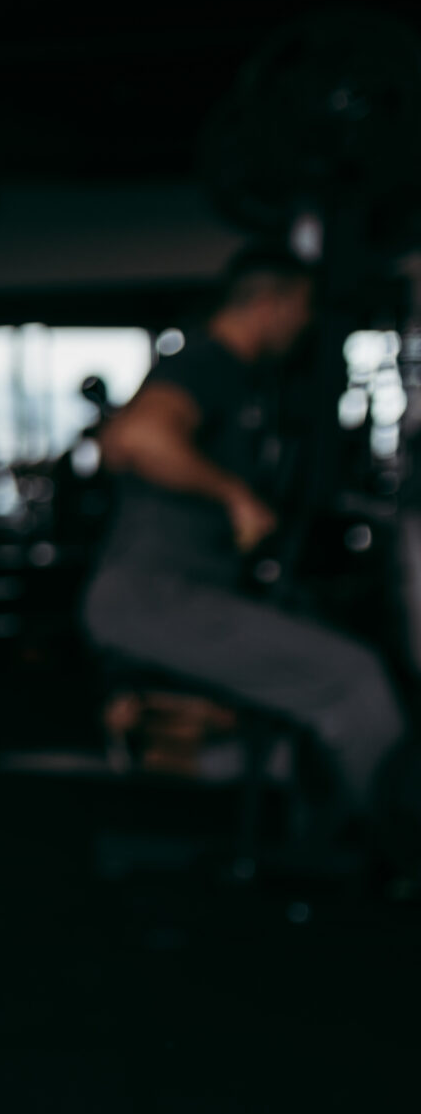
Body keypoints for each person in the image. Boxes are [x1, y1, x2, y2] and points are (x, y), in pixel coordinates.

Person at [83, 244, 415, 838]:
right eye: (304, 308)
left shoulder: (245, 381)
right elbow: (135, 438)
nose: (307, 324)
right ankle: (397, 841)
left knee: (327, 668)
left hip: (181, 593)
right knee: (353, 678)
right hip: (151, 597)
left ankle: (330, 828)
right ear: (271, 303)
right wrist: (233, 493)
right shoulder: (208, 363)